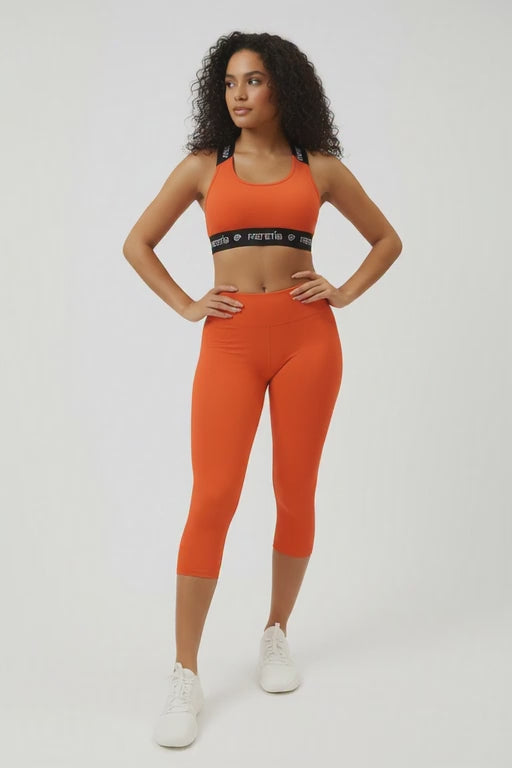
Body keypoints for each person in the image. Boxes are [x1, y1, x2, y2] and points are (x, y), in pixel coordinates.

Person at [123, 30, 402, 748]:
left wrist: (343, 292)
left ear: (284, 86)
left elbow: (387, 240)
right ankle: (185, 672)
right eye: (228, 83)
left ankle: (276, 632)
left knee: (294, 490)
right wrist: (188, 304)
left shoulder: (321, 168)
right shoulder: (203, 167)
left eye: (252, 80)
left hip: (309, 340)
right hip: (231, 342)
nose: (238, 94)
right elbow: (137, 243)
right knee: (213, 496)